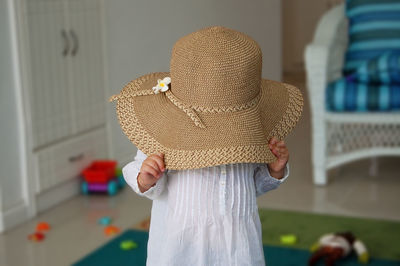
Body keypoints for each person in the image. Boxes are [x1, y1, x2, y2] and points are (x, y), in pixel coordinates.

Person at [110, 26, 303, 266]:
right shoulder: (164, 132)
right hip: (181, 244)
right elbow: (144, 177)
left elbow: (253, 187)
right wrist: (146, 177)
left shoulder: (252, 133)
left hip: (237, 244)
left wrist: (274, 170)